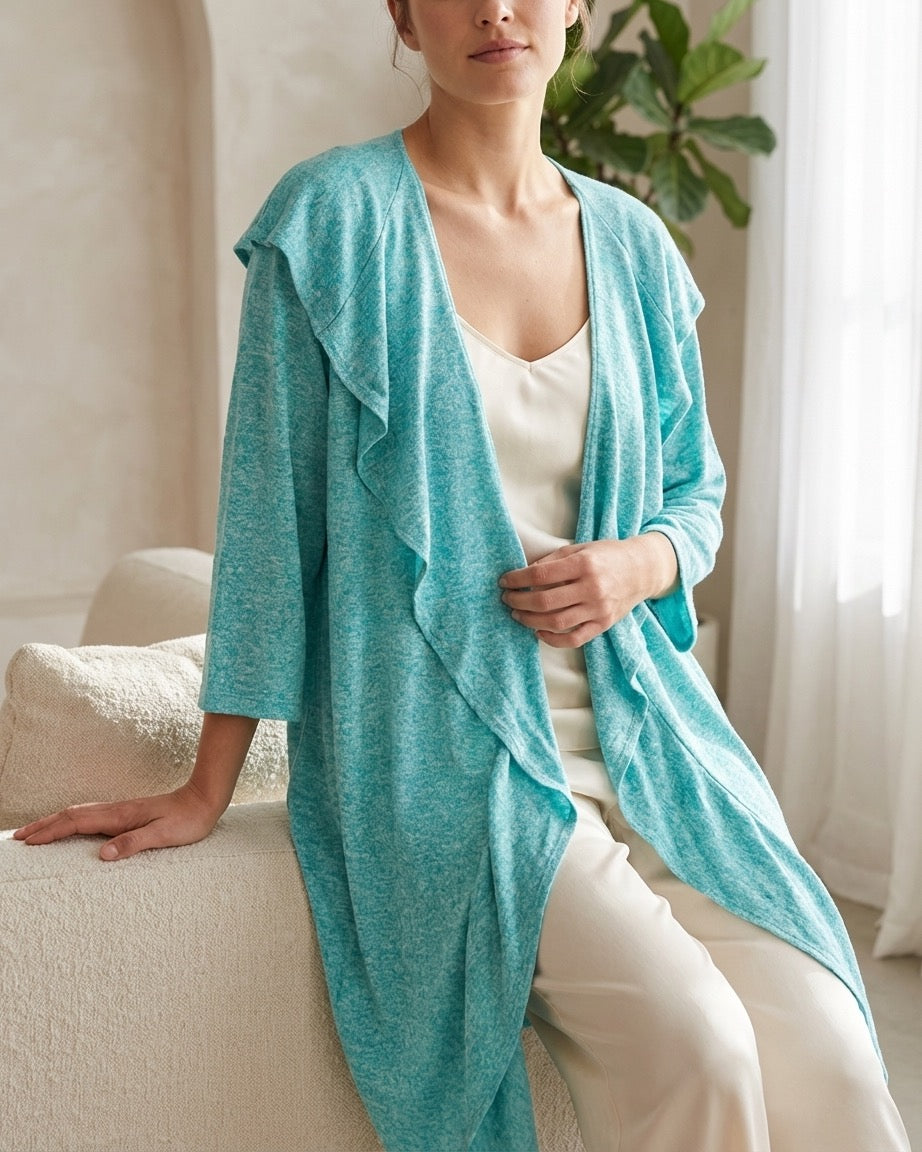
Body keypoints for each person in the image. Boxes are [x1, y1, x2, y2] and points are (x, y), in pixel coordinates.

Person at [15, 2, 912, 1150]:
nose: (494, 7)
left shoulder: (634, 244)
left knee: (834, 1062)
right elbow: (268, 533)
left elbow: (696, 493)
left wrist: (638, 563)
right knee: (698, 1047)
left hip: (649, 739)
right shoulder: (331, 225)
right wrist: (206, 787)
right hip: (448, 760)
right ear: (402, 12)